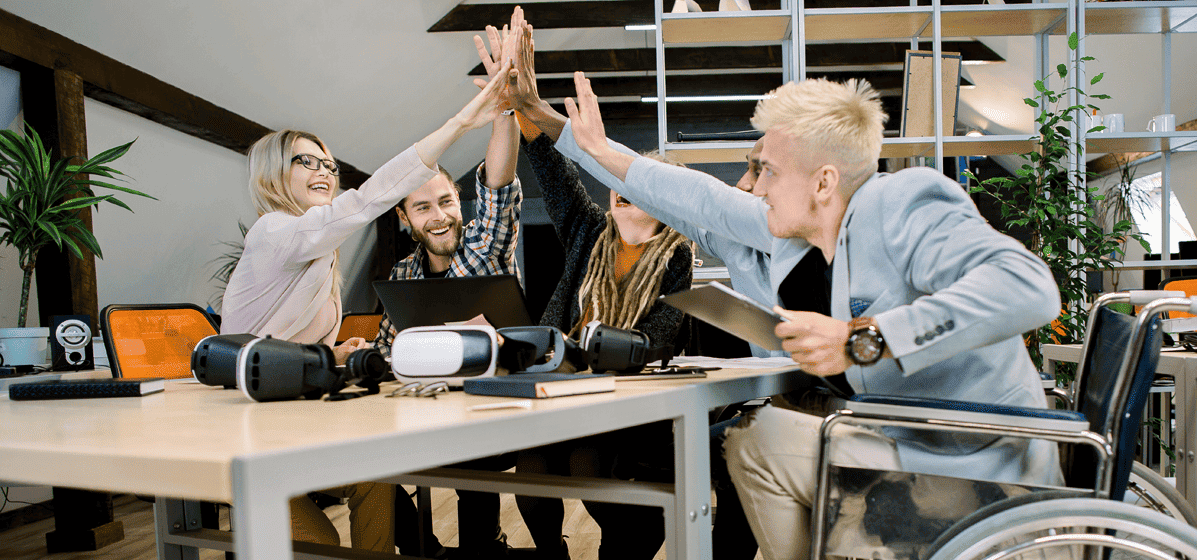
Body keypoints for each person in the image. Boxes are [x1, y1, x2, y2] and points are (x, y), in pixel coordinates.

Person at [563, 72, 1063, 560]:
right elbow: (701, 199)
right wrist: (583, 141)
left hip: (984, 463)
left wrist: (858, 339)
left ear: (824, 181)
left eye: (770, 172)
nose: (758, 190)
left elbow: (1030, 287)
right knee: (756, 439)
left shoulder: (903, 201)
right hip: (911, 441)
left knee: (761, 443)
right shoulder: (801, 237)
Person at [219, 62, 512, 553]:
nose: (324, 171)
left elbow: (282, 344)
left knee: (376, 480)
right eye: (306, 162)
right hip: (246, 426)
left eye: (328, 165)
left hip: (290, 417)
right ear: (274, 171)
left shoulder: (314, 250)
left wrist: (332, 353)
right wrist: (460, 123)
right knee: (325, 541)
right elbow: (366, 200)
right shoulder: (274, 232)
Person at [367, 15, 525, 560]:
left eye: (447, 203)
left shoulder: (480, 250)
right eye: (423, 208)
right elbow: (387, 351)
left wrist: (504, 105)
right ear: (407, 219)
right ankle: (426, 551)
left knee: (466, 462)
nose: (439, 217)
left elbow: (498, 184)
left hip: (493, 410)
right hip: (428, 410)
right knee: (373, 465)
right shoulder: (404, 278)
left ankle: (482, 548)